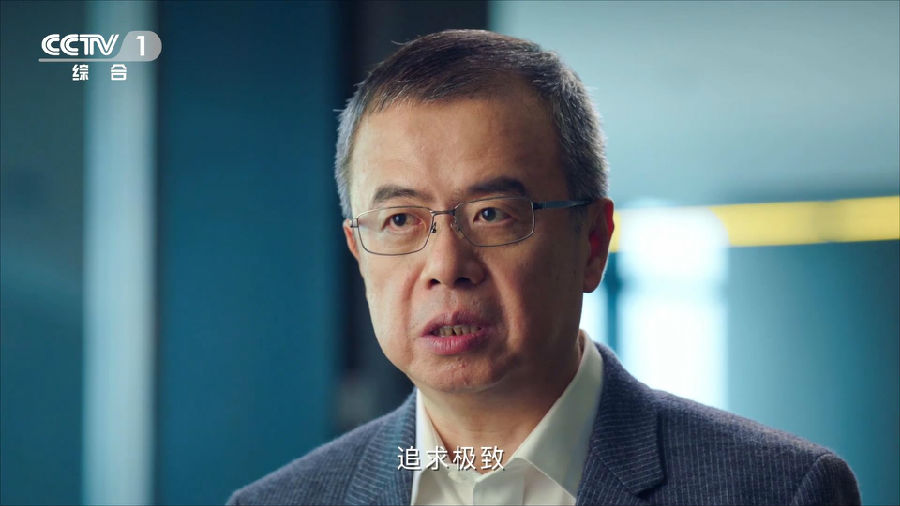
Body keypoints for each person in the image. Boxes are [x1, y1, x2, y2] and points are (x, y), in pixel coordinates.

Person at [228, 29, 860, 505]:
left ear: (592, 243)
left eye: (492, 214)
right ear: (359, 252)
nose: (446, 266)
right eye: (400, 220)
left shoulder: (777, 489)